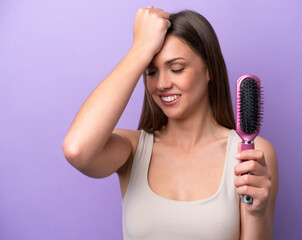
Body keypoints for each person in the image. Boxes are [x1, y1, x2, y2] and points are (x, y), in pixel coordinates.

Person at [62, 6, 279, 240]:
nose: (162, 84)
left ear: (210, 70)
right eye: (151, 72)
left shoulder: (251, 156)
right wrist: (140, 49)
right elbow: (77, 150)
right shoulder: (133, 150)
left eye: (176, 68)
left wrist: (257, 213)